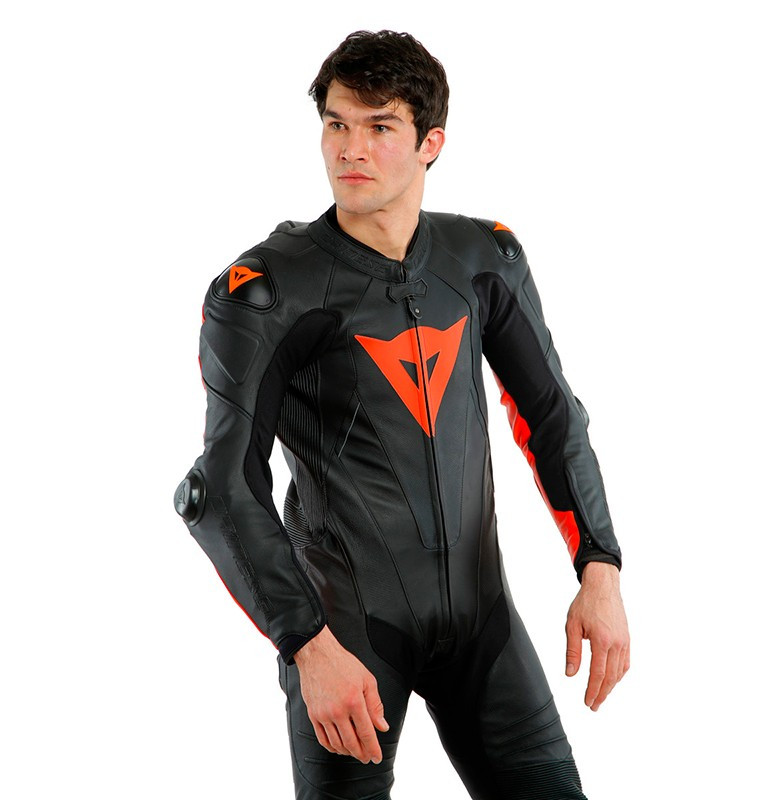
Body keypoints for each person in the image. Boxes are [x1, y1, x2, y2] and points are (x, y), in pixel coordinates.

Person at [173, 29, 630, 800]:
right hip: (346, 638)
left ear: (430, 143)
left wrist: (600, 567)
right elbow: (219, 490)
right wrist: (307, 646)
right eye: (336, 123)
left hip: (483, 630)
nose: (350, 148)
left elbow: (553, 416)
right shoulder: (267, 292)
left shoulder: (482, 258)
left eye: (379, 126)